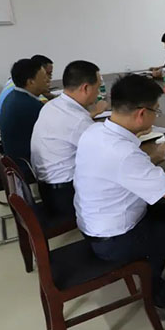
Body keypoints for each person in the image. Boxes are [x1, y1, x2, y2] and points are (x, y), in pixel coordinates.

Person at [74, 74, 165, 322]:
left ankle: (154, 277)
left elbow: (121, 170)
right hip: (114, 238)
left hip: (95, 223)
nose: (156, 116)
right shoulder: (124, 152)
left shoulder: (95, 131)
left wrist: (155, 157)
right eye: (156, 111)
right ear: (141, 113)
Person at [30, 60, 109, 220]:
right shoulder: (78, 120)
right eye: (98, 87)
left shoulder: (52, 105)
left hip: (47, 189)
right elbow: (108, 155)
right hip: (65, 196)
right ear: (85, 88)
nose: (99, 92)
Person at [0, 57, 50, 176]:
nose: (48, 80)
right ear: (30, 82)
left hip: (16, 160)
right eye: (44, 77)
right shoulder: (29, 106)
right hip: (27, 166)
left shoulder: (13, 96)